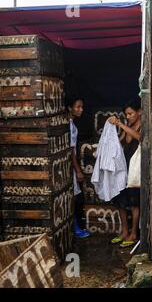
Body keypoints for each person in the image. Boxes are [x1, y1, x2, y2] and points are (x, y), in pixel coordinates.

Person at [107, 98, 142, 248]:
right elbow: (120, 141)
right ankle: (124, 231)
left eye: (130, 114)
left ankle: (133, 233)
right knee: (119, 200)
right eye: (126, 115)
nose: (128, 117)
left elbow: (140, 138)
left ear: (140, 112)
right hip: (123, 168)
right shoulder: (127, 126)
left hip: (135, 170)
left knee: (134, 202)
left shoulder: (142, 127)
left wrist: (120, 123)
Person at [67, 96, 91, 239]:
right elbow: (72, 151)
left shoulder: (71, 124)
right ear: (70, 108)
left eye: (82, 107)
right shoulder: (70, 126)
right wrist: (78, 170)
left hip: (68, 166)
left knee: (74, 196)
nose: (81, 109)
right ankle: (75, 228)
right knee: (74, 197)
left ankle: (76, 227)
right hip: (70, 167)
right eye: (77, 107)